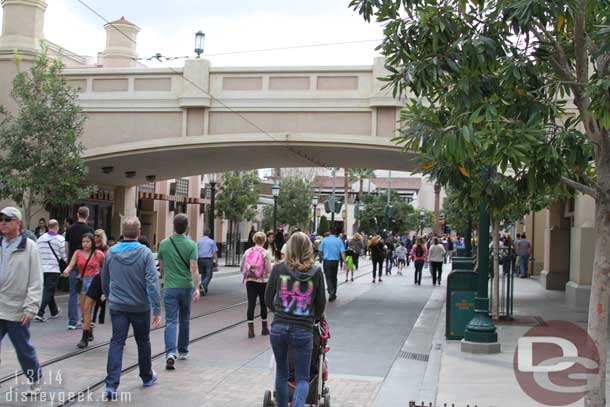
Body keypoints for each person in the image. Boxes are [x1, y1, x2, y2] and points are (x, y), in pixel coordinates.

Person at [101, 217, 161, 400]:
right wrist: (156, 308)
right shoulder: (145, 253)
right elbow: (152, 281)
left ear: (122, 231)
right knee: (143, 341)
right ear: (139, 231)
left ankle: (111, 384)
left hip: (118, 305)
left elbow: (104, 278)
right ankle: (146, 376)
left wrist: (109, 296)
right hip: (140, 306)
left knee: (117, 342)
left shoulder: (111, 253)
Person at [265, 232, 327, 407]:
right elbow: (321, 304)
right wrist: (310, 318)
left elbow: (268, 298)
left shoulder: (278, 269)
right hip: (303, 330)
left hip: (279, 328)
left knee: (282, 374)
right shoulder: (316, 272)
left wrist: (278, 312)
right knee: (302, 378)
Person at [0, 207, 43, 395]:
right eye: (1, 219)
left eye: (7, 219)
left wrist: (31, 307)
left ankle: (35, 379)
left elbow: (36, 280)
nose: (3, 222)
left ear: (18, 223)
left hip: (18, 309)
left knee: (23, 349)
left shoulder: (29, 246)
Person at [158, 214, 200, 370]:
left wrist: (167, 276)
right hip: (186, 286)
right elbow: (194, 269)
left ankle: (170, 352)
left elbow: (161, 268)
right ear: (187, 227)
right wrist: (197, 288)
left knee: (170, 321)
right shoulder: (191, 245)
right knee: (184, 320)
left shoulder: (163, 244)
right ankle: (183, 350)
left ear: (173, 226)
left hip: (170, 286)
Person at [63, 232, 105, 348]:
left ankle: (84, 337)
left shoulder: (98, 254)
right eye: (83, 242)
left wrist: (105, 286)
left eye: (87, 241)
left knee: (87, 308)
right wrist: (67, 270)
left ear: (92, 242)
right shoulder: (78, 253)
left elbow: (106, 268)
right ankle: (89, 327)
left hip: (94, 282)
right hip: (82, 282)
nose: (85, 244)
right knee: (84, 310)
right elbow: (71, 265)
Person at [64, 206, 93, 330]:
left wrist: (69, 260)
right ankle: (84, 317)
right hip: (86, 265)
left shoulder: (70, 229)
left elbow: (66, 246)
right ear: (87, 216)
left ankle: (72, 321)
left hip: (73, 262)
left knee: (73, 293)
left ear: (77, 214)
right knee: (86, 293)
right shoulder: (89, 229)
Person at [241, 231, 272, 338]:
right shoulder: (266, 253)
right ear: (264, 240)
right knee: (263, 304)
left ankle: (251, 331)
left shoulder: (247, 251)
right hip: (262, 281)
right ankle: (264, 328)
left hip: (250, 280)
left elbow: (242, 267)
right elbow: (268, 269)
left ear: (254, 240)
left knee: (251, 304)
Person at [35, 219, 66, 321]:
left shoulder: (40, 239)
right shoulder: (60, 239)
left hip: (41, 268)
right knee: (49, 290)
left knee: (48, 290)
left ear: (48, 227)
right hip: (53, 269)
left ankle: (54, 311)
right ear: (56, 227)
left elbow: (37, 254)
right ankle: (40, 312)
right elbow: (64, 255)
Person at [319, 227, 345, 302]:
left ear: (330, 232)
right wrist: (344, 262)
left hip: (327, 261)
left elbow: (320, 251)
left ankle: (331, 292)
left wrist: (321, 258)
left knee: (328, 277)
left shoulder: (324, 240)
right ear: (336, 232)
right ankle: (333, 292)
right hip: (335, 262)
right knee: (334, 277)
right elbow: (342, 252)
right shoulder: (339, 240)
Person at [196, 228, 218, 295]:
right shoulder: (211, 241)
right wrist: (216, 261)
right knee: (209, 275)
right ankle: (203, 285)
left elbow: (196, 251)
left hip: (200, 259)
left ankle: (204, 289)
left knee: (203, 274)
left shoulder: (198, 241)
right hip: (208, 259)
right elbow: (214, 252)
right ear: (209, 233)